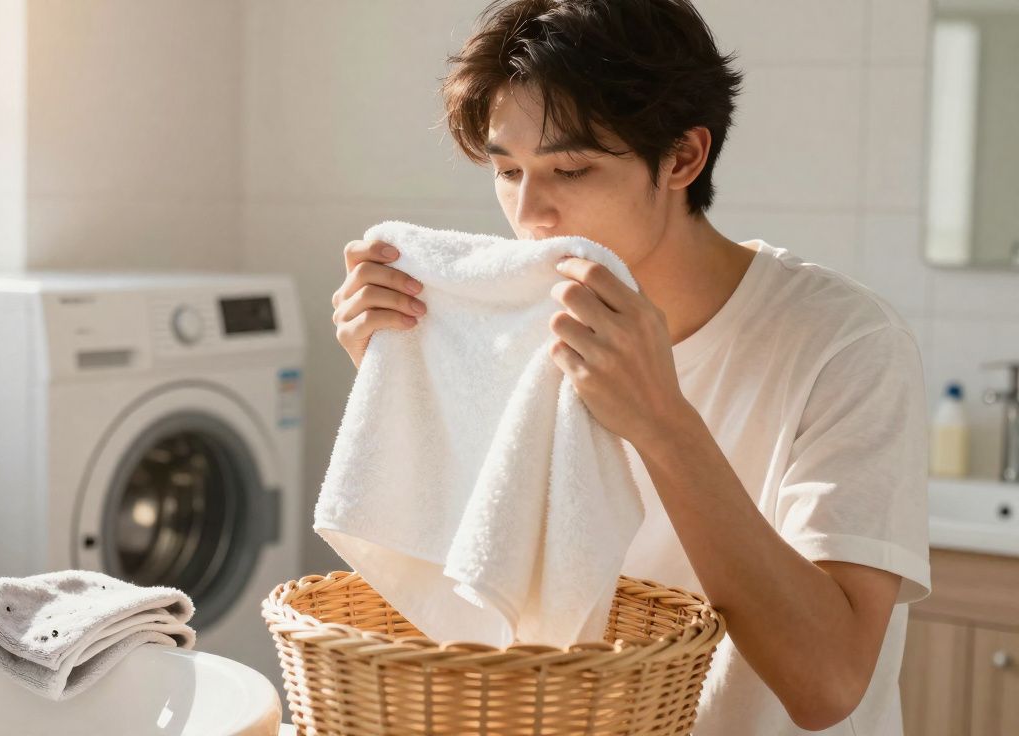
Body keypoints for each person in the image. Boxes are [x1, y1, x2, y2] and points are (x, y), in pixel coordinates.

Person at [328, 1, 931, 733]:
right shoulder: (516, 331)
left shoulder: (847, 344)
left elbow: (828, 683)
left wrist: (663, 423)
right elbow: (481, 581)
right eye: (508, 169)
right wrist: (404, 383)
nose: (532, 214)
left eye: (570, 169)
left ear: (682, 158)